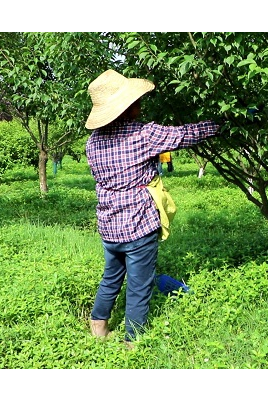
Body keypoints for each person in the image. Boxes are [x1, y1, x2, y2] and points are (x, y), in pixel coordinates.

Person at [85, 69, 221, 347]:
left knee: (111, 276)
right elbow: (186, 135)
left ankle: (98, 327)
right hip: (137, 224)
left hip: (109, 226)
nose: (140, 104)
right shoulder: (144, 135)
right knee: (139, 285)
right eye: (134, 100)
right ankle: (132, 342)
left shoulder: (93, 142)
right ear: (125, 108)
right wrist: (222, 123)